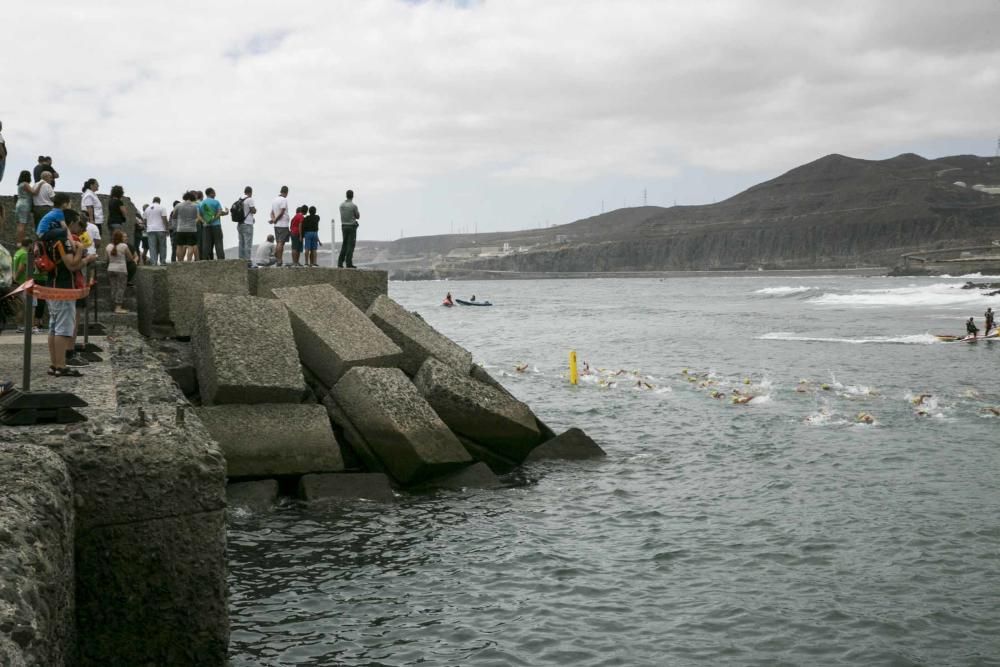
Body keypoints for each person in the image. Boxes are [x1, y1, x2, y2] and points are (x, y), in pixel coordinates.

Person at [47, 215, 96, 377]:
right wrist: (84, 255)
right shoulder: (62, 240)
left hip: (51, 286)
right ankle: (61, 366)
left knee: (54, 327)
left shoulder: (47, 240)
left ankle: (54, 364)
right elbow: (72, 265)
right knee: (62, 328)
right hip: (64, 288)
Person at [12, 239, 47, 333]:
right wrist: (16, 278)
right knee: (32, 305)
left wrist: (14, 279)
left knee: (21, 306)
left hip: (19, 283)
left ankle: (20, 326)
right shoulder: (24, 254)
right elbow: (21, 268)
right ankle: (31, 327)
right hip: (25, 283)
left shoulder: (18, 252)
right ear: (29, 244)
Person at [106, 229, 136, 314]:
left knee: (113, 288)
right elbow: (130, 258)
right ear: (121, 238)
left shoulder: (108, 246)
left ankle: (113, 305)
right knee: (121, 288)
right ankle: (118, 307)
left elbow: (107, 259)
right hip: (121, 270)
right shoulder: (124, 246)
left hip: (110, 269)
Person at [199, 187, 227, 260]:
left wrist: (204, 222)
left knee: (206, 244)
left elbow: (199, 215)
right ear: (211, 193)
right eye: (214, 192)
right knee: (218, 243)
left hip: (206, 226)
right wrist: (214, 218)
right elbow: (219, 212)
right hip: (216, 225)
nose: (215, 194)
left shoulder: (202, 203)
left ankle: (205, 259)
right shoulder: (216, 202)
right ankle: (221, 260)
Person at [173, 191, 200, 261]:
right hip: (192, 229)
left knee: (179, 246)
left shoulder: (178, 205)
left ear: (184, 197)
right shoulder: (195, 206)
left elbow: (174, 216)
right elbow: (196, 217)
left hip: (180, 228)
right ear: (192, 198)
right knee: (190, 246)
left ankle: (179, 261)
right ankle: (188, 261)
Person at [143, 196, 169, 265]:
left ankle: (153, 262)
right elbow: (164, 218)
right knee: (162, 246)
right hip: (160, 229)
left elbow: (144, 220)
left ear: (153, 201)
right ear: (159, 201)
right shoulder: (162, 208)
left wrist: (147, 227)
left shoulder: (147, 209)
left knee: (152, 247)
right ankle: (162, 261)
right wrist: (167, 228)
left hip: (150, 230)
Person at [337, 189, 360, 268]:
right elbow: (357, 216)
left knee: (344, 244)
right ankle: (348, 263)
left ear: (346, 195)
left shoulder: (341, 205)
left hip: (343, 226)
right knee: (350, 245)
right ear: (352, 196)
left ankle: (340, 262)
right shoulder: (353, 206)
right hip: (352, 227)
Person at [270, 186, 291, 266]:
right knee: (280, 243)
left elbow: (271, 212)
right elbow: (282, 212)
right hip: (283, 225)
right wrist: (275, 220)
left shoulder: (274, 200)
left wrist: (273, 219)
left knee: (279, 242)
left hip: (277, 225)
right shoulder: (284, 200)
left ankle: (279, 259)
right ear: (286, 192)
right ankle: (278, 260)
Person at [236, 186, 256, 264]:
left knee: (241, 243)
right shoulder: (250, 199)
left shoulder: (240, 199)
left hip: (240, 224)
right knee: (248, 243)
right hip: (247, 224)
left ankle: (241, 260)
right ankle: (247, 261)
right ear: (250, 192)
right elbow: (253, 210)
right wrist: (255, 210)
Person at [14, 170, 34, 244]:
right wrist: (41, 184)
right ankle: (20, 242)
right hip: (25, 205)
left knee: (19, 224)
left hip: (19, 204)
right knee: (22, 224)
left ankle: (19, 241)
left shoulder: (20, 185)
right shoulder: (25, 184)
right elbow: (34, 192)